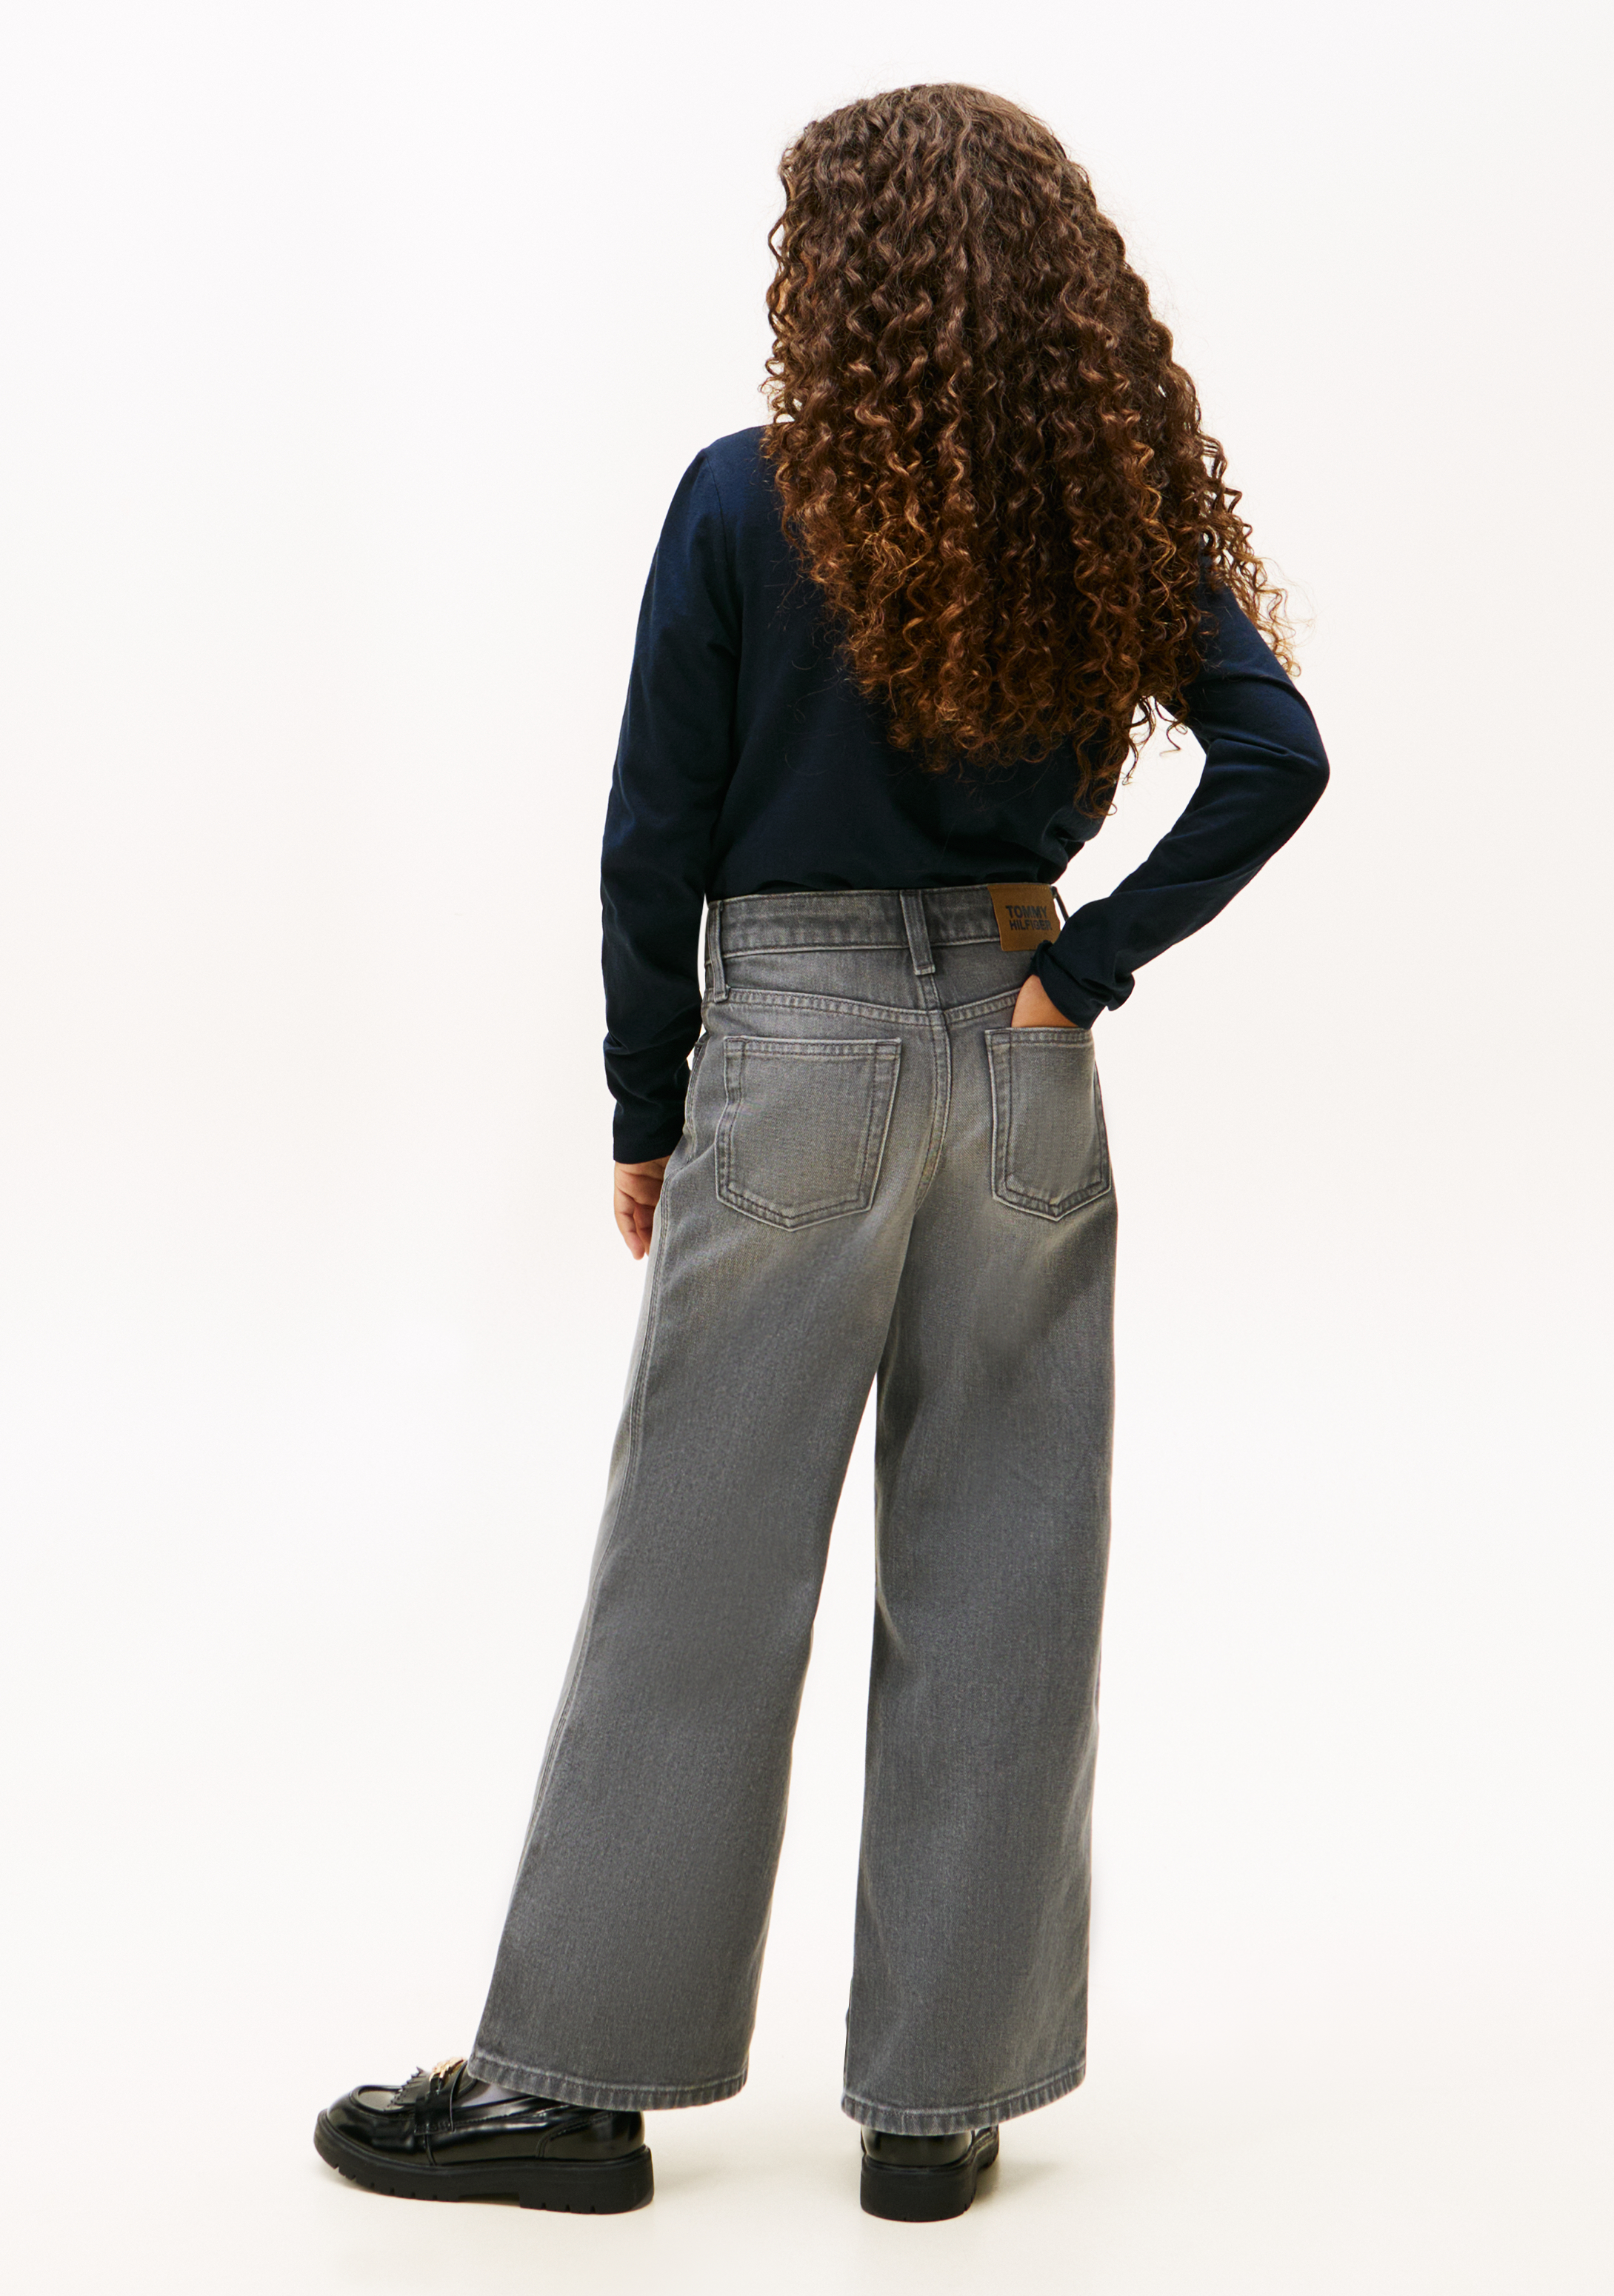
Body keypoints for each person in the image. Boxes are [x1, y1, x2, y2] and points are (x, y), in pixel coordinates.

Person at [313, 81, 1329, 2226]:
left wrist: (646, 1099)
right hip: (1024, 1056)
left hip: (793, 1050)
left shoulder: (745, 497)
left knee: (700, 1566)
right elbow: (1277, 750)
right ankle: (938, 2104)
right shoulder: (1100, 513)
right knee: (1007, 1563)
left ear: (835, 282)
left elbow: (653, 827)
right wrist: (1084, 966)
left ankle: (571, 2090)